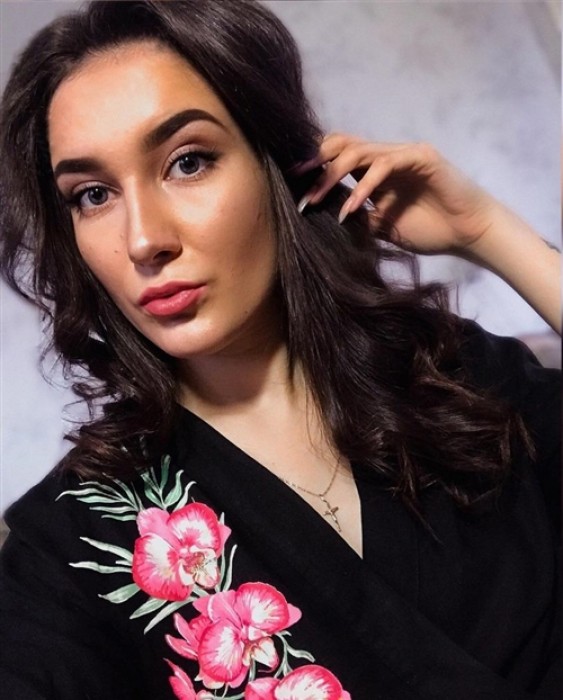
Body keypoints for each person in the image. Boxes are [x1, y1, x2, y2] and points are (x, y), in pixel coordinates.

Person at [0, 1, 559, 698]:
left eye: (188, 162)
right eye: (92, 195)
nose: (143, 240)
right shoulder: (78, 540)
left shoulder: (454, 379)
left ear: (277, 166)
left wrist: (488, 233)